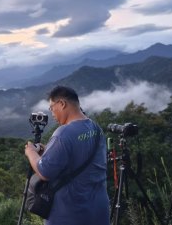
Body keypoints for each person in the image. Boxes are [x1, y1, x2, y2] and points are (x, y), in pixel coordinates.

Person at [24, 85, 109, 225]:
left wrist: (31, 152)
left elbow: (44, 172)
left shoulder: (63, 134)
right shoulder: (95, 128)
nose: (52, 113)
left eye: (52, 108)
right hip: (98, 210)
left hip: (70, 213)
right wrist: (48, 151)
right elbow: (78, 156)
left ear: (62, 104)